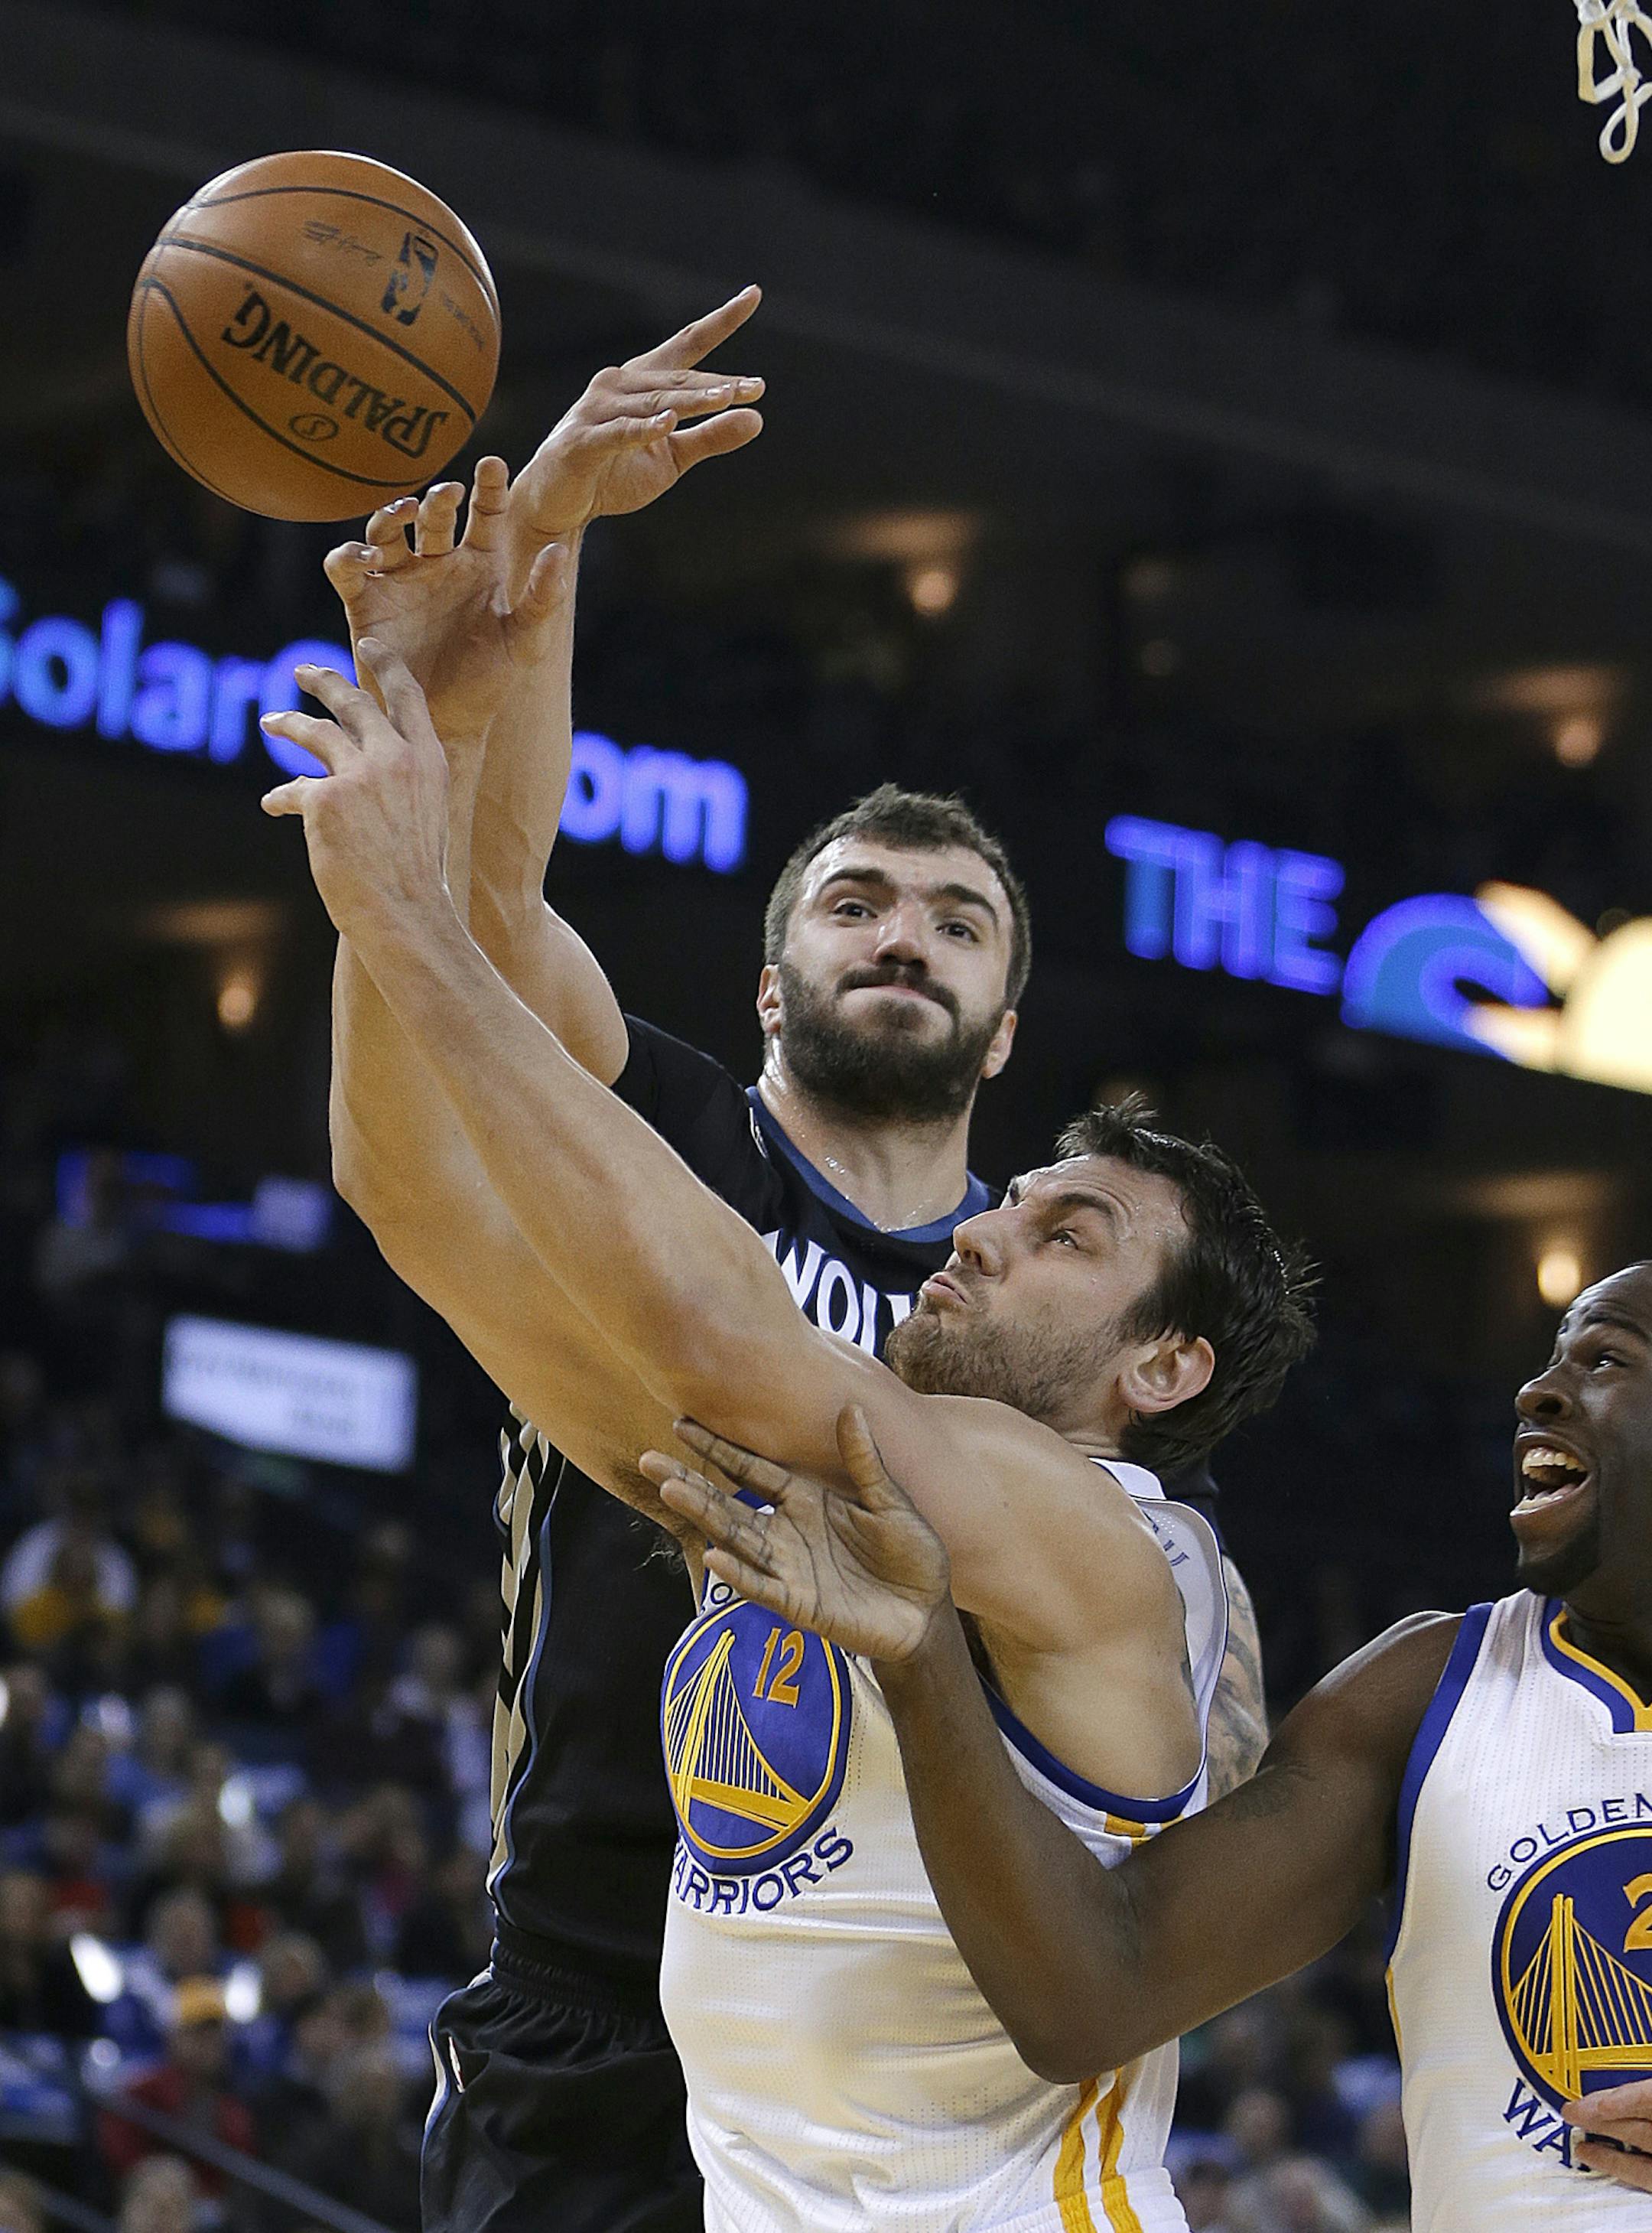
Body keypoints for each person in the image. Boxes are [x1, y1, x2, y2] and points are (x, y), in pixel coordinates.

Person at [311, 297, 1270, 2230]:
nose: (901, 936)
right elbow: (477, 972)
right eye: (855, 902)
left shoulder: (1039, 1375)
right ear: (771, 980)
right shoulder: (649, 1140)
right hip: (602, 1958)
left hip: (899, 2028)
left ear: (1009, 1027)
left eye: (957, 919)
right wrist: (532, 568)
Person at [646, 1261, 1652, 2225]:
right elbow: (1092, 1998)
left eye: (1604, 1360)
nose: (1537, 1393)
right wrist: (923, 1661)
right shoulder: (1425, 1691)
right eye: (1556, 1357)